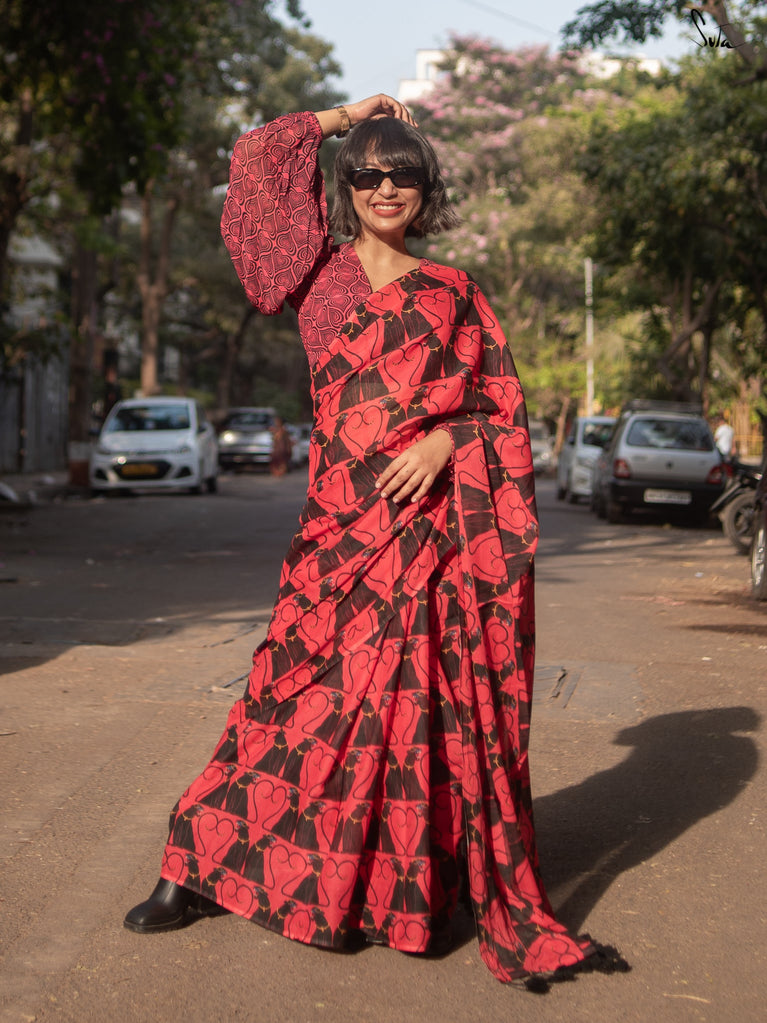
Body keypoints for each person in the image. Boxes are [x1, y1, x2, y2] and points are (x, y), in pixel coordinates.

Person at [124, 95, 615, 985]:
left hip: (424, 535)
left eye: (403, 174)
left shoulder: (454, 293)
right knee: (286, 696)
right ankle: (192, 860)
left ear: (427, 190)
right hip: (336, 530)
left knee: (406, 710)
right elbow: (255, 155)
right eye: (368, 174)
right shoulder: (316, 276)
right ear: (345, 187)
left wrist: (445, 442)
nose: (385, 188)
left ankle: (386, 891)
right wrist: (347, 114)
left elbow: (500, 414)